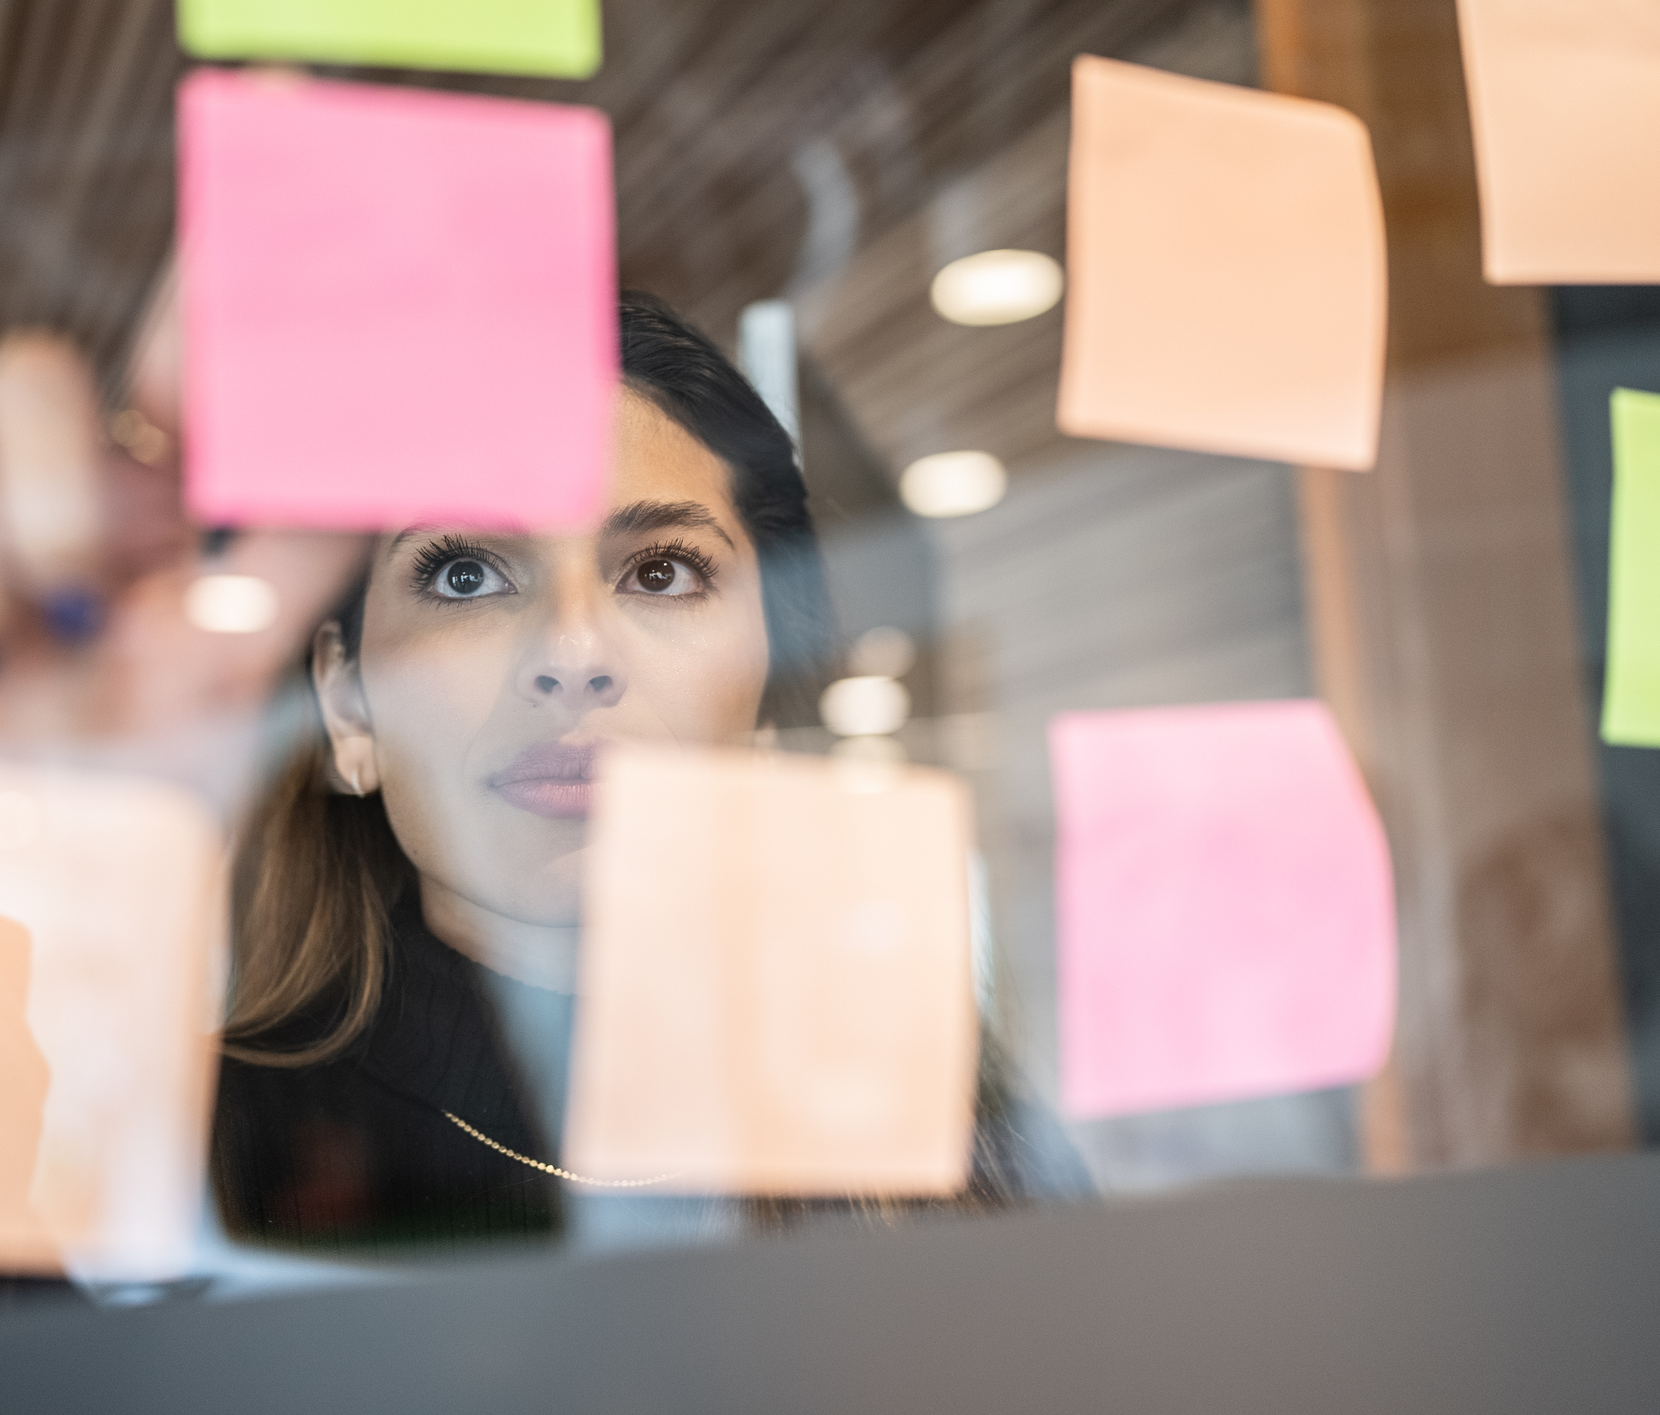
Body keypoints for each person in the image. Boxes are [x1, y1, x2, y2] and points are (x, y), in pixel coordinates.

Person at [212, 293, 1088, 1251]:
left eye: (662, 572)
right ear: (346, 706)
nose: (575, 650)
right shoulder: (185, 1157)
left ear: (771, 670)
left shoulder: (950, 1130)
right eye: (466, 574)